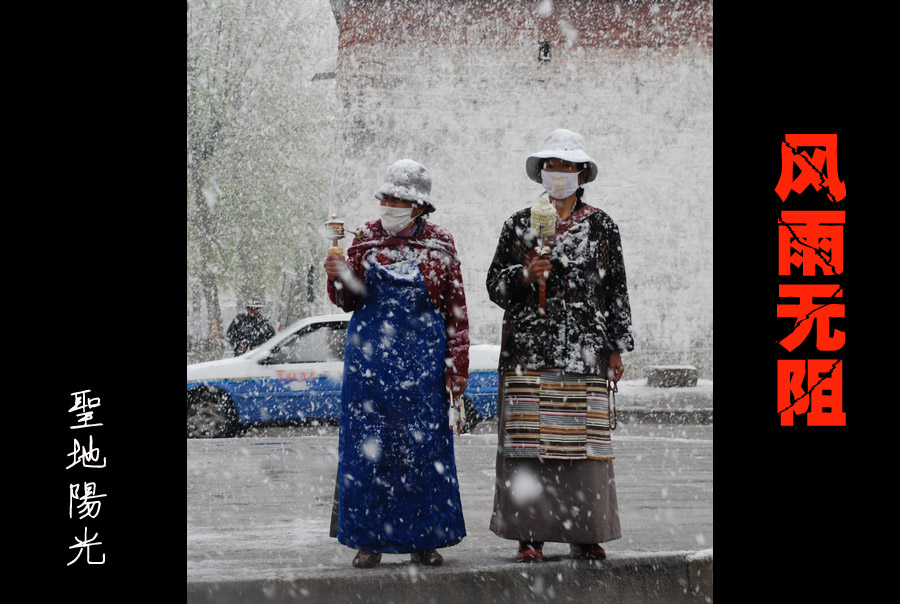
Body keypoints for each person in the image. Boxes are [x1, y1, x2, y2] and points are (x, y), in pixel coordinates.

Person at [486, 129, 635, 563]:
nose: (559, 174)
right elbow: (494, 285)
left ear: (582, 173)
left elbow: (616, 290)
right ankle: (529, 533)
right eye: (552, 166)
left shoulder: (602, 226)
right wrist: (524, 276)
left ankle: (586, 531)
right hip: (528, 353)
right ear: (541, 173)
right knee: (529, 446)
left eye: (568, 167)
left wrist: (616, 346)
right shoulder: (519, 223)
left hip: (585, 351)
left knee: (582, 448)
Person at [324, 159, 469, 569]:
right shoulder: (365, 238)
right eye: (384, 198)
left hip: (421, 367)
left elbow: (456, 312)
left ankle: (425, 538)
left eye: (398, 200)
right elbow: (348, 300)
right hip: (369, 368)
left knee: (421, 451)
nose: (388, 205)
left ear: (419, 206)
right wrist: (337, 276)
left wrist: (457, 367)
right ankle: (367, 539)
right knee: (368, 452)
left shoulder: (441, 243)